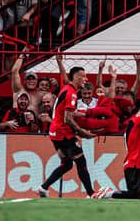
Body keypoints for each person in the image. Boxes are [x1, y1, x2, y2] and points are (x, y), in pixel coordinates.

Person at [35, 67, 96, 198]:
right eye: (83, 76)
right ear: (76, 77)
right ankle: (91, 194)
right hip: (63, 133)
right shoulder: (72, 94)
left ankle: (43, 187)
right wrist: (82, 132)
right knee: (81, 161)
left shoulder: (68, 89)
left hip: (54, 132)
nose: (86, 79)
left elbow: (67, 113)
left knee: (67, 164)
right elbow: (67, 118)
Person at [93, 104, 140, 199]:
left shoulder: (133, 123)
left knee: (138, 195)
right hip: (136, 163)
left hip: (135, 162)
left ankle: (109, 193)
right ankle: (110, 193)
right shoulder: (137, 120)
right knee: (136, 195)